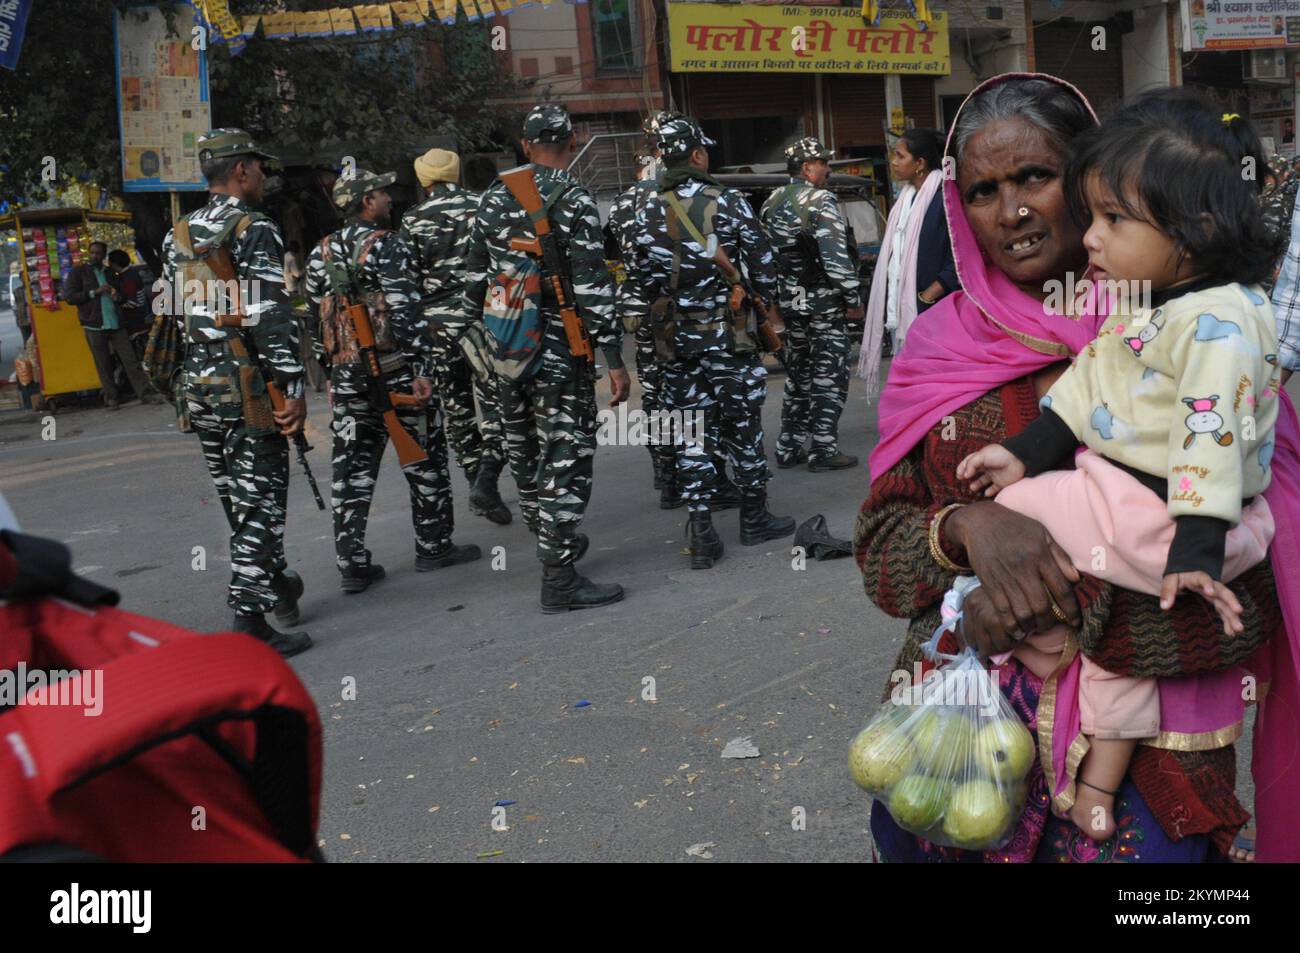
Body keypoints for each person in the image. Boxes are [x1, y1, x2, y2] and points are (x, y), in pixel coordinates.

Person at [854, 74, 1297, 863]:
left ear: (1094, 179)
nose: (1012, 211)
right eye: (984, 189)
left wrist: (1065, 597)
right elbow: (882, 554)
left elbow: (1252, 577)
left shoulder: (1196, 331)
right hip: (968, 742)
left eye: (1036, 175)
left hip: (1156, 756)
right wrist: (966, 529)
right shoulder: (937, 349)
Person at [956, 91, 1280, 840]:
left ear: (1191, 231)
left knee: (1019, 520)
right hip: (1144, 520)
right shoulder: (1149, 305)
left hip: (1158, 522)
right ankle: (1093, 782)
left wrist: (1194, 550)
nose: (1015, 213)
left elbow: (1212, 435)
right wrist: (1017, 455)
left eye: (1110, 218)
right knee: (1111, 655)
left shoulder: (1215, 320)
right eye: (982, 191)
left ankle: (1032, 648)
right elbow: (1089, 390)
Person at [461, 104, 629, 612]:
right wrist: (614, 356)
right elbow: (593, 285)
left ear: (526, 144)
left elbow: (473, 282)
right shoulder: (574, 197)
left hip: (507, 345)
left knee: (525, 448)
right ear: (572, 141)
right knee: (567, 453)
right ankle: (558, 576)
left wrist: (492, 334)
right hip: (559, 345)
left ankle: (550, 543)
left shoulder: (491, 198)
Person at [161, 128, 311, 657]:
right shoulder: (254, 227)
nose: (265, 177)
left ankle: (276, 587)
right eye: (260, 168)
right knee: (261, 503)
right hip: (247, 386)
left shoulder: (176, 233)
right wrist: (291, 389)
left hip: (200, 386)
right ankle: (249, 623)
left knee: (237, 498)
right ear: (241, 171)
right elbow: (271, 316)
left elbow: (177, 313)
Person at [624, 115, 795, 569]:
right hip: (730, 338)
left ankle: (701, 533)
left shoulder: (642, 211)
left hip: (676, 342)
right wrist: (763, 304)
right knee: (743, 425)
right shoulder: (731, 202)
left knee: (690, 432)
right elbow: (762, 268)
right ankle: (754, 517)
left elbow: (638, 284)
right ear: (697, 155)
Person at [306, 169, 481, 594]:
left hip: (348, 375)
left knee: (351, 471)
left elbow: (315, 319)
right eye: (382, 193)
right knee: (424, 460)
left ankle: (352, 563)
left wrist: (329, 373)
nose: (388, 198)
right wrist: (422, 370)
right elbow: (406, 310)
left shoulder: (320, 252)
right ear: (367, 201)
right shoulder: (387, 245)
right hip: (396, 371)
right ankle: (433, 545)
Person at [400, 147, 511, 525]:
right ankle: (488, 479)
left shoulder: (412, 220)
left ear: (423, 179)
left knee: (457, 410)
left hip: (436, 330)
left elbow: (408, 283)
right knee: (499, 403)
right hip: (482, 322)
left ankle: (478, 484)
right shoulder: (482, 206)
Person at [761, 136, 864, 471]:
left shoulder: (771, 201)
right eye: (822, 163)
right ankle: (823, 447)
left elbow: (766, 258)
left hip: (794, 301)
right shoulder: (821, 201)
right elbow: (835, 257)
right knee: (829, 374)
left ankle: (788, 445)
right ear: (807, 168)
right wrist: (852, 297)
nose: (827, 169)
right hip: (822, 302)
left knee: (799, 374)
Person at [858, 128, 954, 395]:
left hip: (931, 312)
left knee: (934, 386)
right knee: (911, 388)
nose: (893, 162)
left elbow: (960, 256)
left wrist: (929, 294)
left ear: (920, 164)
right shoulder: (904, 199)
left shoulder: (944, 198)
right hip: (900, 314)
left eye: (900, 156)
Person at [62, 241, 162, 410]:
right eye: (92, 252)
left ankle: (145, 394)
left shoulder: (109, 273)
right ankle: (111, 398)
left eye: (98, 253)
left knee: (130, 360)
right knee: (104, 364)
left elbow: (122, 294)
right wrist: (94, 292)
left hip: (116, 323)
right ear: (89, 253)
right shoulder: (79, 273)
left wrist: (118, 297)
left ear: (103, 255)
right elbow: (70, 297)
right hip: (94, 325)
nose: (95, 256)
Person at [8, 263, 31, 346]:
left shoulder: (33, 289)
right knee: (27, 342)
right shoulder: (17, 291)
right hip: (23, 321)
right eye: (22, 277)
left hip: (33, 320)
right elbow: (17, 307)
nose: (24, 279)